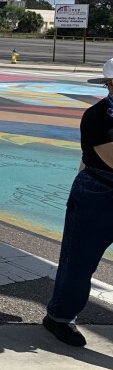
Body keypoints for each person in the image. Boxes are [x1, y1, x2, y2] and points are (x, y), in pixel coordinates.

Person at [44, 58, 113, 347]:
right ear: (110, 84)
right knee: (79, 262)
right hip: (99, 191)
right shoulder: (99, 116)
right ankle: (59, 317)